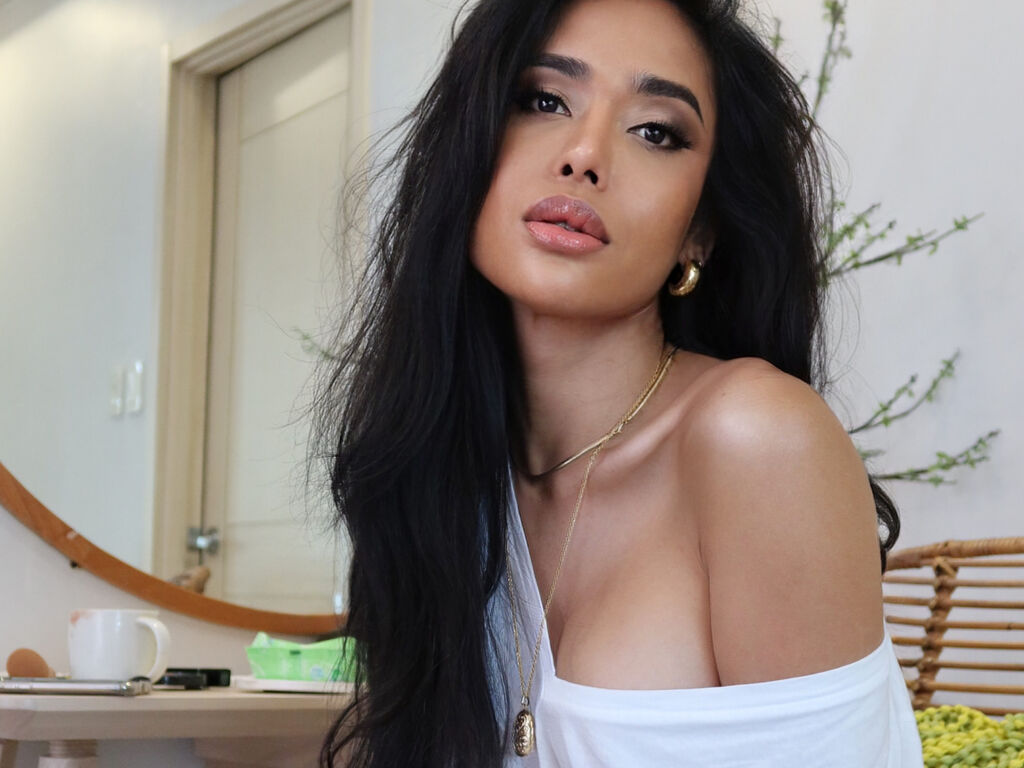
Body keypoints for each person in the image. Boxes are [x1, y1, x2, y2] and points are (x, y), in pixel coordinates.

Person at [314, 0, 924, 766]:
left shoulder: (757, 438)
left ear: (700, 231)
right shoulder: (441, 477)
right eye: (544, 100)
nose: (584, 154)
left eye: (656, 132)